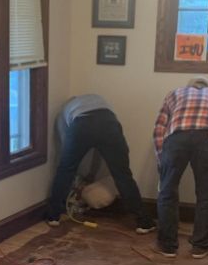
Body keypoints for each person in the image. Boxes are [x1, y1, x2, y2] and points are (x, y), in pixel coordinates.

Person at [47, 94, 155, 234]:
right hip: (109, 123)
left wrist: (78, 176)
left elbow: (66, 152)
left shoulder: (64, 113)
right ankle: (144, 221)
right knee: (123, 175)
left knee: (65, 170)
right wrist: (92, 173)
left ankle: (53, 216)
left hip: (81, 124)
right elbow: (100, 150)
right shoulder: (99, 99)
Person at [153, 77, 208, 259]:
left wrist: (161, 159)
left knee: (167, 191)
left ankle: (167, 246)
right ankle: (200, 246)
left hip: (177, 138)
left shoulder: (175, 93)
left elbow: (159, 127)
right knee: (206, 194)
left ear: (189, 87)